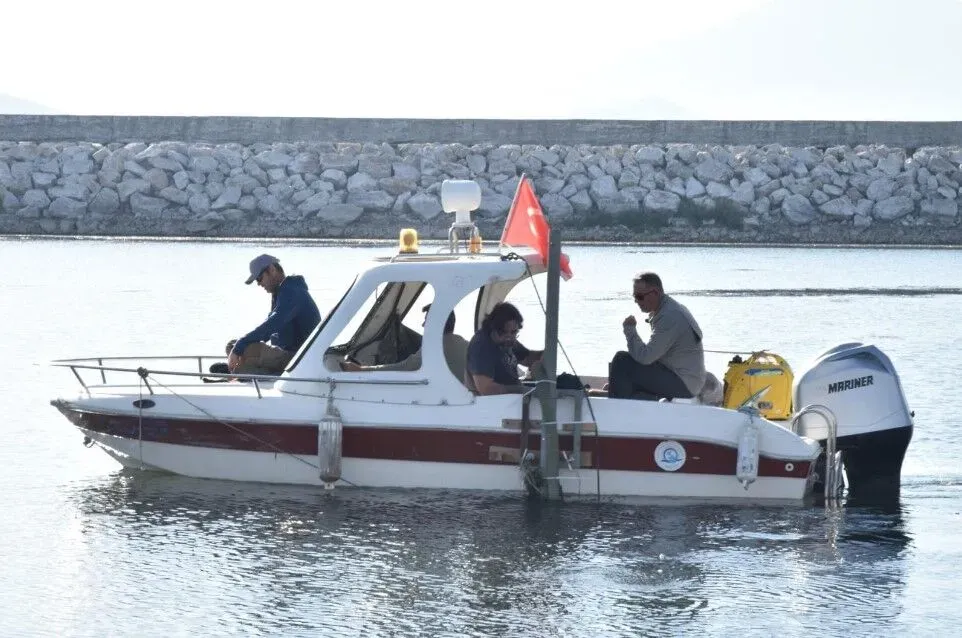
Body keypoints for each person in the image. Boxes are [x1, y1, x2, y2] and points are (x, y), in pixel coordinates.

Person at [607, 271, 706, 401]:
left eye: (640, 296)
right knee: (624, 372)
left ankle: (617, 407)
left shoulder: (670, 316)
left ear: (655, 293)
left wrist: (630, 330)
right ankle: (626, 399)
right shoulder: (668, 309)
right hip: (684, 378)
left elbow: (646, 357)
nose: (636, 301)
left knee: (622, 361)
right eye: (634, 296)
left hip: (684, 384)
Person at [226, 254, 321, 375]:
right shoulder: (281, 292)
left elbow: (273, 323)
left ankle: (240, 372)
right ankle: (243, 370)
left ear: (271, 270)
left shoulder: (291, 291)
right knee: (232, 346)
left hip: (299, 357)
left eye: (259, 278)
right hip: (283, 353)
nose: (259, 284)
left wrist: (242, 344)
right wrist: (241, 345)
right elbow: (268, 331)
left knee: (245, 348)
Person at [339, 304, 469, 381]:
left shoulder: (434, 348)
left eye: (427, 320)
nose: (423, 324)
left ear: (436, 324)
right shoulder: (466, 345)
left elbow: (404, 368)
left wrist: (361, 370)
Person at [465, 301, 543, 395]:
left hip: (512, 400)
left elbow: (527, 359)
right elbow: (486, 389)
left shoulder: (508, 341)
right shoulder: (481, 346)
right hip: (492, 405)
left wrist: (546, 354)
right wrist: (520, 390)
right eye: (503, 332)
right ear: (493, 327)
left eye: (514, 332)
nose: (509, 337)